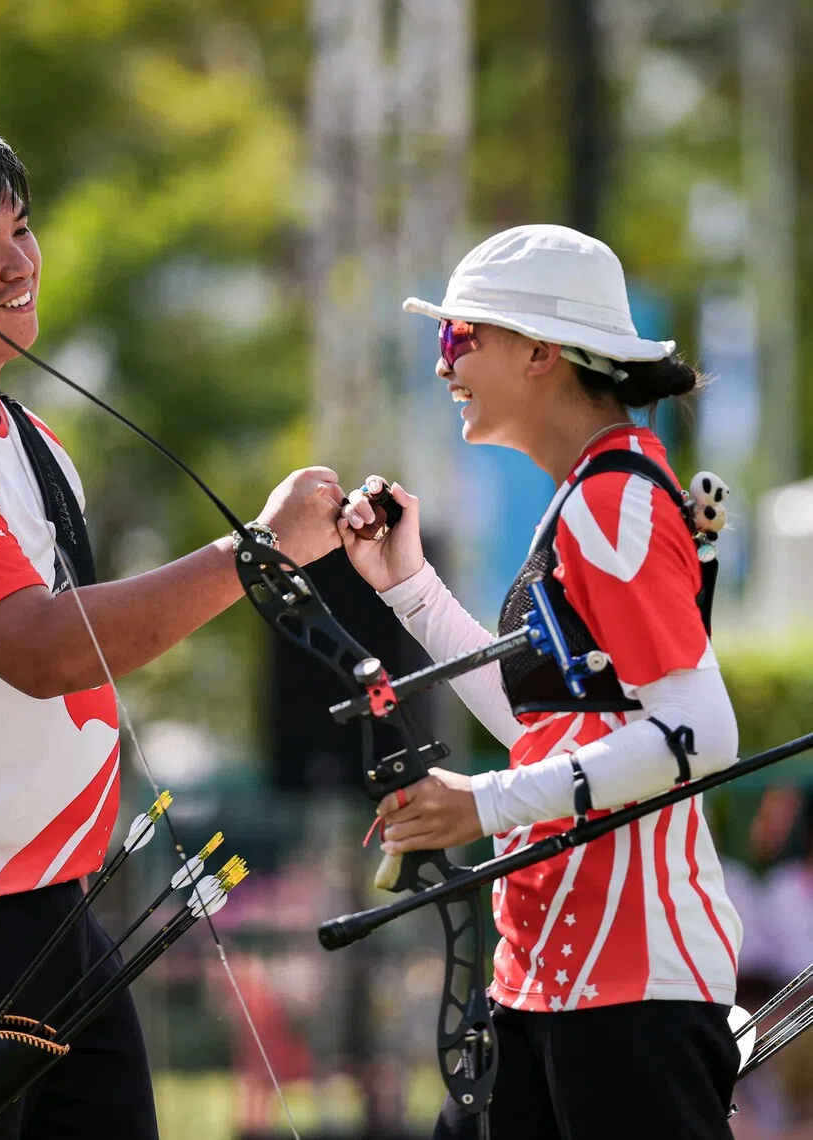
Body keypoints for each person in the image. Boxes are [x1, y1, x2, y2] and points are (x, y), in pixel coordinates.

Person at [0, 99, 342, 1139]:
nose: (19, 267)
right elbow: (45, 652)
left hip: (51, 921)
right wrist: (255, 552)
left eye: (20, 232)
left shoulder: (30, 434)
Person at [340, 225, 744, 1139]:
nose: (444, 365)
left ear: (539, 352)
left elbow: (699, 732)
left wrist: (481, 804)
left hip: (631, 992)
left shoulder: (613, 498)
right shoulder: (592, 495)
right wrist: (407, 588)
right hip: (553, 985)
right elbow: (545, 725)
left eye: (459, 338)